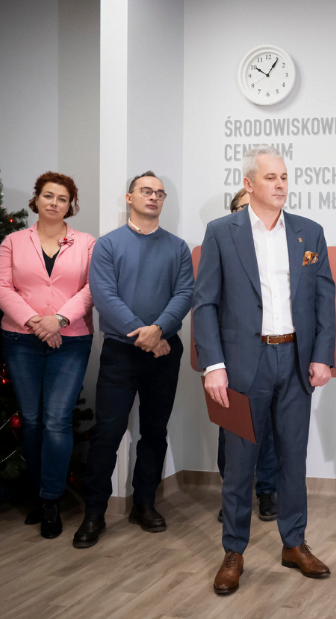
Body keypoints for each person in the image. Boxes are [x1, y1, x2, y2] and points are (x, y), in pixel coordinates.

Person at [193, 146, 336, 595]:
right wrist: (213, 365)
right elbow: (205, 303)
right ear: (248, 184)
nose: (280, 184)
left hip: (294, 361)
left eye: (284, 177)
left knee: (294, 459)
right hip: (241, 365)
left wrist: (322, 355)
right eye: (270, 177)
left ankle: (294, 544)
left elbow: (325, 298)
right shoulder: (221, 232)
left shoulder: (309, 232)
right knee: (240, 465)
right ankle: (234, 551)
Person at [72, 171, 194, 548]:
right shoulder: (108, 245)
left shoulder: (178, 247)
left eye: (160, 193)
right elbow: (104, 295)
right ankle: (95, 512)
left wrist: (159, 330)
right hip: (121, 352)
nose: (153, 197)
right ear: (130, 198)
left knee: (154, 432)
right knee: (108, 432)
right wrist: (146, 335)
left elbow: (184, 293)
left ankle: (144, 504)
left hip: (164, 351)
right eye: (146, 191)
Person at [0, 172, 95, 539]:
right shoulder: (13, 241)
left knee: (56, 420)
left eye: (62, 198)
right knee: (32, 420)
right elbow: (3, 288)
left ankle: (51, 499)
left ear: (71, 205)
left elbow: (91, 288)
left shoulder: (85, 243)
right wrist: (35, 322)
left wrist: (58, 320)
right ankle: (39, 496)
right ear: (36, 199)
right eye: (48, 195)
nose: (55, 202)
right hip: (21, 339)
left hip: (71, 341)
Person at [215, 186, 277, 524]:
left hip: (274, 352)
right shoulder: (222, 245)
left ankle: (267, 490)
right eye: (242, 208)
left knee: (267, 428)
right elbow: (208, 305)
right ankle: (233, 494)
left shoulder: (278, 247)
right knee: (232, 429)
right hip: (233, 357)